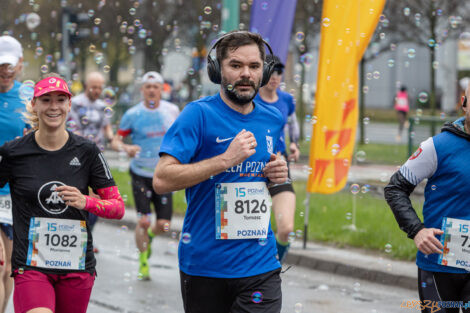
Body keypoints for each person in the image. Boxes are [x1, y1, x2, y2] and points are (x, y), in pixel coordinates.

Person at [154, 31, 288, 313]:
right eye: (236, 65)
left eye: (254, 66)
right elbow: (162, 179)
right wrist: (224, 160)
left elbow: (272, 169)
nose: (246, 74)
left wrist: (278, 171)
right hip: (205, 265)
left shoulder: (274, 119)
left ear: (263, 71)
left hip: (260, 263)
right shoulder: (197, 115)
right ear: (217, 70)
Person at [0, 74, 125, 313]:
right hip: (31, 265)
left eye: (60, 99)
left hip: (76, 267)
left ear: (69, 105)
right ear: (34, 105)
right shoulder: (14, 153)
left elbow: (117, 207)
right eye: (46, 100)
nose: (54, 106)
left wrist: (85, 201)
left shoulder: (87, 151)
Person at [384, 84, 470, 313]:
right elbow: (395, 188)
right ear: (464, 104)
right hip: (438, 264)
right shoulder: (437, 146)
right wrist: (417, 230)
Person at [111, 71, 179, 281]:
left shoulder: (172, 111)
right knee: (143, 221)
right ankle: (143, 261)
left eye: (155, 87)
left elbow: (182, 136)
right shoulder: (132, 114)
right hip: (140, 172)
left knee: (163, 225)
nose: (151, 90)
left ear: (161, 90)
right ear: (142, 90)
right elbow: (115, 141)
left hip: (164, 174)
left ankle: (149, 237)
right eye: (147, 87)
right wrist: (126, 148)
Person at [255, 54, 300, 263]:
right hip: (251, 168)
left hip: (279, 165)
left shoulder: (286, 100)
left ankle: (275, 266)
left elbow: (293, 124)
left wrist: (294, 144)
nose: (275, 77)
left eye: (279, 72)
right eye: (271, 72)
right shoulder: (250, 99)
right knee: (252, 231)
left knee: (286, 228)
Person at [68, 72, 114, 239]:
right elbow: (71, 126)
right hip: (78, 155)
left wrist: (112, 139)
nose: (97, 91)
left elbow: (106, 127)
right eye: (94, 87)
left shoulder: (103, 106)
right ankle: (78, 232)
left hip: (97, 155)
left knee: (97, 198)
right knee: (80, 194)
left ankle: (88, 233)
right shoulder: (76, 103)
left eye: (100, 88)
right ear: (86, 85)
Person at [0, 35, 27, 313]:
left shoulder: (30, 98)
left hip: (14, 193)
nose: (4, 70)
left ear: (19, 64)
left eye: (9, 65)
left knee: (8, 267)